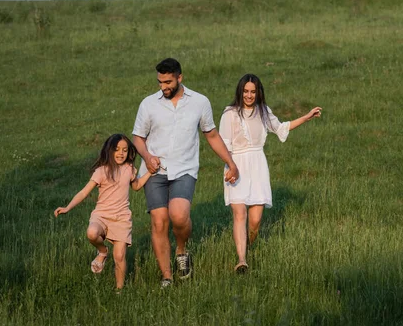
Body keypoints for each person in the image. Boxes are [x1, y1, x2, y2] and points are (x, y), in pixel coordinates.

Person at [132, 58, 239, 287]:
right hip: (154, 172)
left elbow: (211, 135)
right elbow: (138, 138)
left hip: (184, 169)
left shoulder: (200, 102)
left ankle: (181, 251)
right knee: (159, 222)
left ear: (180, 77)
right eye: (160, 82)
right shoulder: (148, 104)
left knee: (179, 216)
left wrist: (231, 162)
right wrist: (147, 157)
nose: (164, 87)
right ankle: (167, 276)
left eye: (168, 82)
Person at [219, 74, 322, 273]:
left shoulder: (263, 112)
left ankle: (246, 246)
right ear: (240, 91)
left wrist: (306, 117)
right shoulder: (229, 114)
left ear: (258, 93)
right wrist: (230, 166)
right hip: (236, 165)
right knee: (240, 214)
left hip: (257, 166)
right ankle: (241, 260)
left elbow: (281, 128)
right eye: (246, 91)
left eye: (253, 92)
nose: (249, 95)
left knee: (255, 220)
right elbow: (223, 144)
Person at [54, 134, 151, 291]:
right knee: (92, 233)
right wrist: (68, 207)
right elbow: (84, 192)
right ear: (109, 150)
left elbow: (137, 185)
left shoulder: (129, 169)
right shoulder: (101, 171)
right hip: (102, 216)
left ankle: (119, 291)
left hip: (121, 219)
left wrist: (151, 172)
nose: (121, 153)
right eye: (117, 149)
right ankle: (102, 251)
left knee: (119, 257)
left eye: (125, 150)